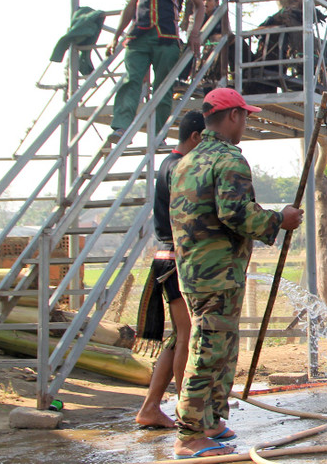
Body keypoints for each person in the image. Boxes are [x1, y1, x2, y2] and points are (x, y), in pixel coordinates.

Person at [169, 87, 303, 459]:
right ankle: (190, 434)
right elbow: (236, 213)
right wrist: (280, 219)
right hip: (219, 272)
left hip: (195, 271)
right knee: (209, 350)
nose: (246, 122)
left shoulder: (186, 161)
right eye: (245, 116)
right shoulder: (229, 160)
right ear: (233, 117)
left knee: (220, 347)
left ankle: (211, 420)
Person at [135, 111, 205, 429]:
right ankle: (185, 409)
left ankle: (152, 407)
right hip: (176, 259)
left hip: (166, 257)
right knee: (187, 334)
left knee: (179, 335)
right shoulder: (181, 168)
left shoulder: (167, 164)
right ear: (196, 138)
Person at [105, 0, 205, 144]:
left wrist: (194, 33)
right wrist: (116, 36)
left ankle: (158, 134)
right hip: (138, 36)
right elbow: (131, 5)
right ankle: (121, 127)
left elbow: (200, 5)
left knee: (163, 86)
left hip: (167, 37)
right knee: (131, 80)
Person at [179, 0, 231, 91]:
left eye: (209, 0)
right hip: (201, 45)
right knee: (188, 47)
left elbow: (228, 33)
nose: (205, 3)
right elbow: (190, 36)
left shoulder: (221, 14)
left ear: (216, 2)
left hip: (216, 49)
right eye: (203, 0)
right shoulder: (195, 16)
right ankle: (182, 78)